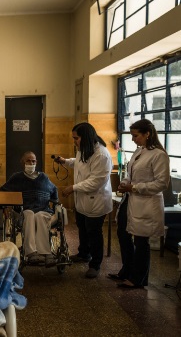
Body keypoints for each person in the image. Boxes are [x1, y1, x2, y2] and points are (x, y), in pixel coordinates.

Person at [110, 119, 169, 289]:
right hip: (131, 199)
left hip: (146, 203)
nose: (133, 139)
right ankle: (126, 271)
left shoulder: (159, 155)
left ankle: (138, 279)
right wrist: (125, 182)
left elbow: (162, 183)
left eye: (136, 136)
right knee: (123, 233)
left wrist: (134, 187)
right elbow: (131, 173)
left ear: (147, 134)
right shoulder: (139, 152)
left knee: (141, 242)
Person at [55, 122, 113, 278]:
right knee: (82, 227)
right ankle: (83, 254)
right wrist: (66, 161)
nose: (74, 141)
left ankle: (95, 264)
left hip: (96, 201)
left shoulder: (101, 154)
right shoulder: (84, 149)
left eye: (76, 138)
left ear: (85, 137)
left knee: (94, 232)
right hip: (82, 200)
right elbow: (79, 163)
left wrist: (73, 188)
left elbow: (96, 181)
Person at [0, 151, 59, 266]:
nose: (31, 163)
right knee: (30, 214)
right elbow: (3, 191)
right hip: (23, 212)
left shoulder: (43, 177)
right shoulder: (17, 178)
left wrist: (56, 205)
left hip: (43, 211)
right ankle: (31, 252)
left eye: (33, 161)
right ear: (23, 163)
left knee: (40, 215)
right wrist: (6, 206)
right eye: (28, 161)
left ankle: (45, 253)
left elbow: (54, 190)